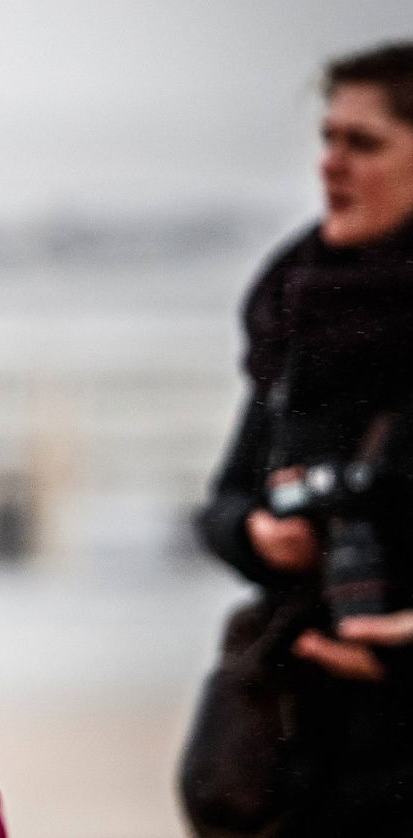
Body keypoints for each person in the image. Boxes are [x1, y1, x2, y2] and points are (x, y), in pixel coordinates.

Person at [191, 40, 413, 836]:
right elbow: (223, 501)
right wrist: (259, 534)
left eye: (365, 143)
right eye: (328, 138)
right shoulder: (298, 303)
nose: (332, 165)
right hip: (301, 749)